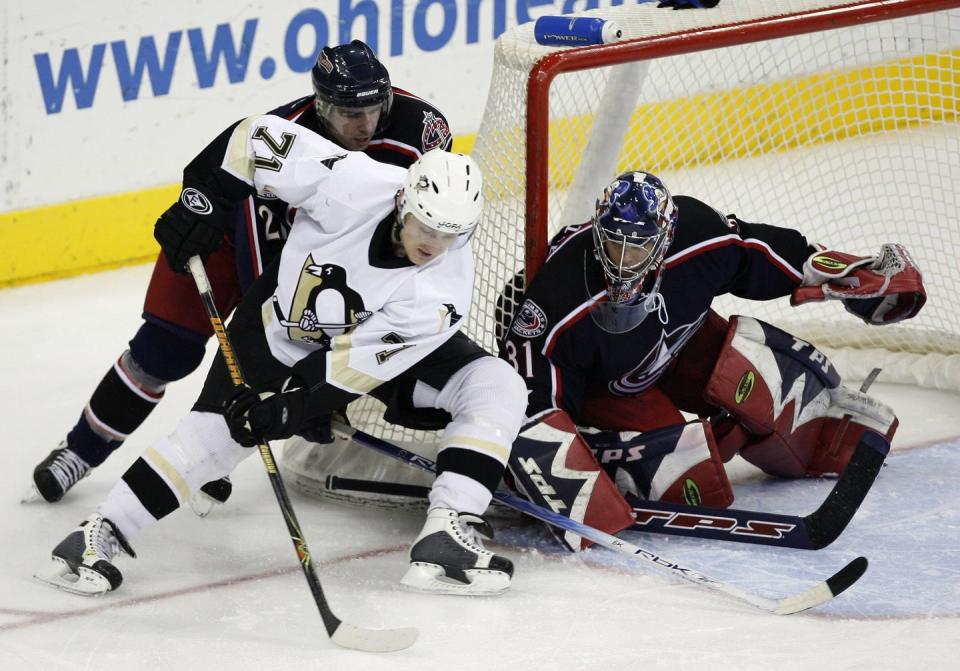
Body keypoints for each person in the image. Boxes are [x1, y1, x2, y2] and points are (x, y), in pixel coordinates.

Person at [37, 115, 527, 596]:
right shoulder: (350, 181)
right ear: (404, 202)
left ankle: (448, 528)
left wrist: (287, 407)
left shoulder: (440, 292)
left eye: (451, 234)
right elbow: (251, 138)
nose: (435, 244)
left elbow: (346, 369)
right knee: (211, 440)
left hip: (379, 355)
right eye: (427, 226)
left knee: (496, 385)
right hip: (277, 332)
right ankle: (99, 532)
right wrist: (203, 203)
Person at [29, 40, 453, 505]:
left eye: (374, 109)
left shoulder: (421, 131)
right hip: (238, 238)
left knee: (305, 349)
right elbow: (249, 230)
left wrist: (309, 387)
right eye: (350, 113)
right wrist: (196, 209)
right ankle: (79, 450)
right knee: (163, 351)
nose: (365, 125)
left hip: (325, 257)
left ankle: (206, 449)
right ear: (320, 105)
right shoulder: (284, 134)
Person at [497, 171, 924, 548]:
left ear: (665, 237)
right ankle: (624, 459)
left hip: (678, 346)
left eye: (639, 247)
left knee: (758, 364)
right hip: (605, 389)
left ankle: (820, 436)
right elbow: (534, 405)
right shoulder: (557, 299)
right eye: (613, 242)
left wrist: (853, 275)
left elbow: (765, 251)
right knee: (684, 471)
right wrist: (556, 472)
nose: (623, 259)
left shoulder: (699, 235)